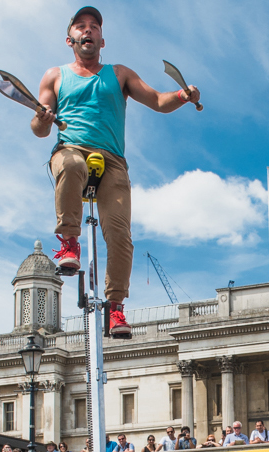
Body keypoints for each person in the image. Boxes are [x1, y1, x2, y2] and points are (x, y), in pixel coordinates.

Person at [29, 5, 200, 337]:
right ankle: (69, 241)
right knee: (71, 164)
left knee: (121, 235)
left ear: (102, 40)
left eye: (94, 26)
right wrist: (43, 117)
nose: (88, 30)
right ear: (70, 39)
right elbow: (38, 128)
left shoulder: (119, 74)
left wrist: (183, 94)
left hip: (113, 162)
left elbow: (157, 101)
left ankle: (116, 308)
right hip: (71, 149)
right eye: (81, 26)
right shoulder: (54, 76)